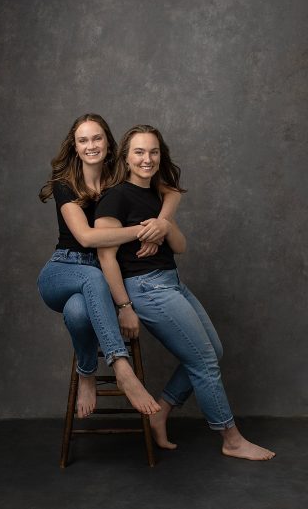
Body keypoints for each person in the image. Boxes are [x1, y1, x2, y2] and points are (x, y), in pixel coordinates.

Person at [94, 124, 275, 460]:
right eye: (139, 152)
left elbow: (180, 246)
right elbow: (106, 258)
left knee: (213, 352)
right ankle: (231, 439)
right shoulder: (115, 196)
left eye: (154, 152)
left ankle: (161, 411)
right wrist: (124, 306)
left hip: (172, 281)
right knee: (205, 361)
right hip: (146, 288)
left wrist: (164, 224)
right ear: (125, 157)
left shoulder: (158, 194)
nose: (147, 159)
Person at [37, 113, 180, 418]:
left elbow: (170, 191)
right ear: (75, 147)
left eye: (97, 138)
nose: (91, 145)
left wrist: (160, 224)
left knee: (78, 311)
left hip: (97, 279)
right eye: (83, 140)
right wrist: (143, 230)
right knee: (91, 276)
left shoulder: (118, 176)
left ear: (108, 142)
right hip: (62, 270)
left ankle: (86, 372)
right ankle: (122, 367)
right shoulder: (65, 184)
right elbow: (88, 239)